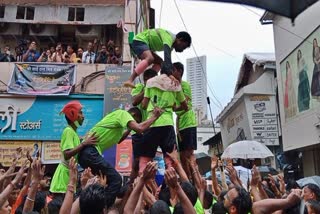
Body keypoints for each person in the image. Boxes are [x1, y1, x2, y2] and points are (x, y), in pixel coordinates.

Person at [78, 106, 163, 208]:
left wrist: (130, 129)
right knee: (116, 180)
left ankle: (93, 204)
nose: (135, 124)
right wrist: (155, 117)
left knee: (107, 182)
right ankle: (103, 208)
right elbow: (140, 128)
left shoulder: (118, 128)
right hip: (89, 151)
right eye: (136, 121)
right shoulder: (122, 114)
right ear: (133, 115)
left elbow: (120, 139)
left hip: (85, 155)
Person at [139, 67, 188, 172]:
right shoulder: (175, 84)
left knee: (145, 159)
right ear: (171, 72)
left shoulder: (150, 82)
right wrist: (174, 108)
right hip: (167, 124)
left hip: (151, 124)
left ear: (160, 71)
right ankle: (171, 185)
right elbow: (185, 106)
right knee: (170, 159)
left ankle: (143, 184)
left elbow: (143, 105)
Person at [49, 101, 97, 195]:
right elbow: (67, 154)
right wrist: (84, 143)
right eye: (80, 112)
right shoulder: (68, 131)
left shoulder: (73, 133)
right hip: (63, 180)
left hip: (69, 176)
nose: (83, 116)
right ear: (72, 114)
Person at [123, 28, 192, 88]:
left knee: (160, 62)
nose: (182, 50)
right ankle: (130, 80)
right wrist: (170, 75)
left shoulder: (170, 46)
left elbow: (167, 62)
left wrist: (169, 73)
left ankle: (150, 80)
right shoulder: (169, 37)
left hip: (146, 46)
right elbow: (167, 57)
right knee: (150, 58)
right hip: (139, 41)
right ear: (180, 39)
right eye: (183, 47)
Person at [129, 68, 158, 182]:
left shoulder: (158, 90)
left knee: (149, 163)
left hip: (152, 130)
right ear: (146, 80)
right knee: (136, 162)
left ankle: (148, 191)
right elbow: (135, 101)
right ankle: (131, 188)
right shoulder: (139, 88)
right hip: (138, 130)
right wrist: (147, 88)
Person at [172, 62, 198, 179]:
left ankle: (194, 178)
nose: (171, 73)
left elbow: (185, 105)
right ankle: (187, 180)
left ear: (179, 71)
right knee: (182, 155)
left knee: (189, 154)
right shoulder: (172, 88)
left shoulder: (185, 85)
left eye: (173, 70)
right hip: (180, 124)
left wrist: (174, 108)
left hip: (188, 122)